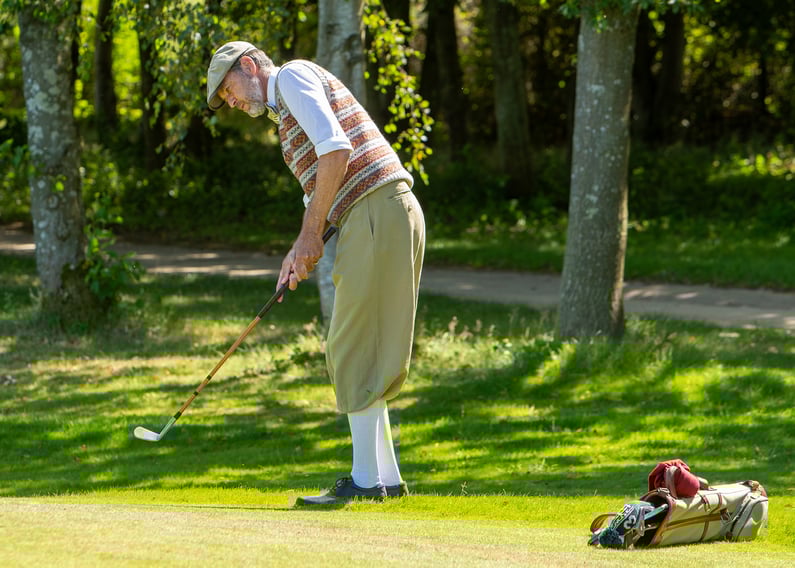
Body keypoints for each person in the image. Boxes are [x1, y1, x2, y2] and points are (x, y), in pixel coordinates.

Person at [206, 41, 425, 504]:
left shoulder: (290, 77)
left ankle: (365, 483)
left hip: (375, 211)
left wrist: (309, 237)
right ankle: (385, 478)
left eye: (228, 90)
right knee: (368, 345)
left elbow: (336, 150)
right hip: (379, 211)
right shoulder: (284, 112)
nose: (232, 102)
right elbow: (321, 186)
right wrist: (299, 247)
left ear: (249, 66)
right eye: (225, 100)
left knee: (350, 345)